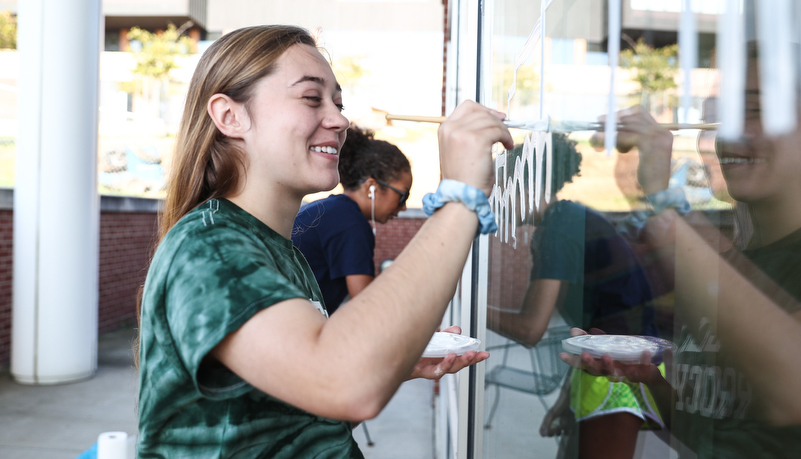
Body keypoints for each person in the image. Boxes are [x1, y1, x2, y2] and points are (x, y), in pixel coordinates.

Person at [135, 25, 513, 458]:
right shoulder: (209, 248)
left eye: (338, 102)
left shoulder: (282, 251)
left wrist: (389, 361)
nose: (338, 119)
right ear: (230, 116)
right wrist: (460, 197)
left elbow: (292, 417)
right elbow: (341, 382)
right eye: (312, 98)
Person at [565, 42, 801, 458]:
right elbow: (715, 430)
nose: (729, 132)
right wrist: (645, 383)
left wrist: (661, 196)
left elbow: (792, 389)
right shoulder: (736, 265)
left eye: (758, 111)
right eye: (718, 116)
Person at [487, 133, 663, 459]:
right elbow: (592, 325)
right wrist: (565, 400)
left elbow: (530, 329)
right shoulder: (563, 222)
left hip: (621, 370)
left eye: (502, 190)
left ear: (528, 187)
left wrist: (469, 307)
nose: (494, 200)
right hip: (603, 365)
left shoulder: (558, 230)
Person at [292, 125, 411, 314]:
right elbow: (366, 306)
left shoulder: (330, 210)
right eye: (402, 196)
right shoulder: (350, 223)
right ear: (371, 187)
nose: (403, 207)